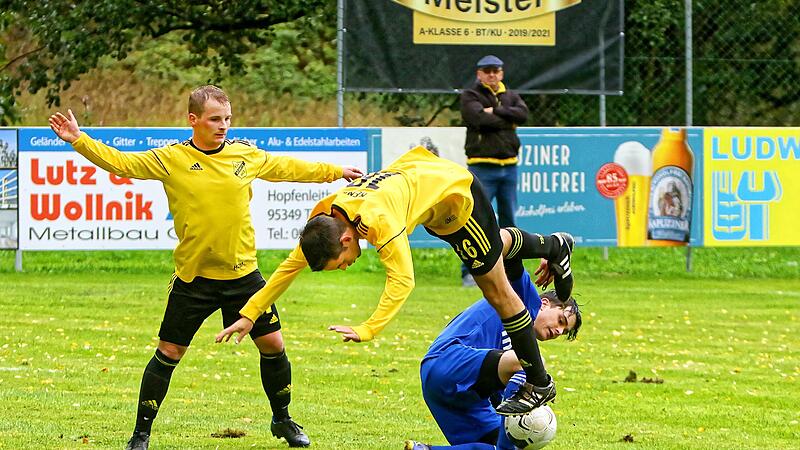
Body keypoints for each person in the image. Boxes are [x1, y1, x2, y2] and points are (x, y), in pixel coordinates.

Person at [47, 85, 363, 450]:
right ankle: (141, 434)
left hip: (244, 275)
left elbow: (286, 167)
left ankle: (283, 419)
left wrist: (335, 170)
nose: (223, 126)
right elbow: (123, 162)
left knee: (274, 345)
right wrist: (79, 140)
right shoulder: (171, 158)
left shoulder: (245, 155)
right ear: (192, 120)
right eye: (215, 119)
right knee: (169, 352)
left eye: (227, 118)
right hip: (193, 278)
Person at [216, 146, 574, 416]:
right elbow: (288, 267)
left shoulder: (380, 221)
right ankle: (555, 245)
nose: (343, 268)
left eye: (339, 264)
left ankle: (539, 382)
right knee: (490, 249)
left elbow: (403, 281)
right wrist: (250, 313)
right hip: (426, 180)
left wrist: (369, 328)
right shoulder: (325, 218)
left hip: (453, 194)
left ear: (345, 241)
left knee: (497, 290)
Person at [404, 229, 582, 450]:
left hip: (463, 395)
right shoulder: (525, 298)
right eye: (561, 321)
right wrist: (551, 250)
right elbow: (505, 245)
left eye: (563, 332)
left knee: (498, 446)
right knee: (532, 366)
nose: (558, 331)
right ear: (545, 303)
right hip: (447, 362)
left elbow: (501, 400)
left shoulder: (522, 345)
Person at [459, 55, 529, 287]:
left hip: (509, 168)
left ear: (501, 73)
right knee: (475, 220)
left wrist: (494, 111)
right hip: (481, 167)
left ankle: (512, 272)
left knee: (510, 221)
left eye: (496, 70)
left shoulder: (511, 95)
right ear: (479, 74)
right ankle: (469, 272)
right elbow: (477, 119)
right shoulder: (470, 95)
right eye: (487, 71)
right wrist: (506, 117)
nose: (491, 75)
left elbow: (523, 115)